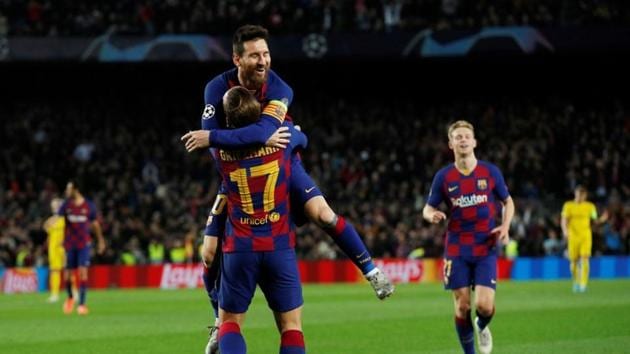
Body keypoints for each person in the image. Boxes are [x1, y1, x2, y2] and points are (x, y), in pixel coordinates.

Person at [181, 24, 393, 353]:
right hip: (237, 177)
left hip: (281, 166)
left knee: (322, 213)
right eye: (255, 55)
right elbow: (265, 133)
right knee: (208, 252)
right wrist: (287, 135)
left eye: (266, 53)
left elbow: (225, 136)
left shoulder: (280, 88)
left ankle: (371, 269)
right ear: (237, 59)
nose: (263, 60)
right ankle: (217, 321)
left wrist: (214, 137)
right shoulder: (216, 88)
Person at [213, 86, 308, 353]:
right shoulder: (284, 141)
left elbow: (224, 135)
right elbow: (304, 140)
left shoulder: (218, 151)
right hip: (278, 244)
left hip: (239, 246)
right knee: (291, 326)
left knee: (229, 322)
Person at [422, 120, 514, 354]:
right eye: (458, 137)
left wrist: (505, 226)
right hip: (457, 247)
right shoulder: (443, 177)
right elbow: (427, 208)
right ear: (451, 144)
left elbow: (508, 201)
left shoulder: (490, 171)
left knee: (484, 306)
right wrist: (432, 214)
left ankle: (482, 326)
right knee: (462, 306)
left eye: (466, 136)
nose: (462, 139)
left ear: (474, 142)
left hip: (485, 246)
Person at [58, 180, 106, 315]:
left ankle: (82, 304)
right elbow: (58, 219)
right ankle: (70, 298)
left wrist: (101, 241)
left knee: (83, 272)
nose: (67, 192)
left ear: (76, 189)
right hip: (69, 244)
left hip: (83, 244)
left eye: (69, 189)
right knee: (67, 276)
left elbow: (95, 225)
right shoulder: (66, 205)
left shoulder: (88, 206)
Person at [561, 185, 607, 293]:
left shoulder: (590, 206)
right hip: (573, 237)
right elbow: (564, 220)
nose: (579, 197)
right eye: (578, 194)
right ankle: (576, 282)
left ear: (585, 196)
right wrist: (565, 231)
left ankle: (583, 284)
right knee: (573, 262)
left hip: (585, 236)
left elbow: (595, 220)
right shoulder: (568, 206)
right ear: (575, 194)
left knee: (585, 259)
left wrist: (602, 219)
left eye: (582, 195)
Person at [43, 197, 66, 303]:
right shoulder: (51, 221)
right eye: (53, 206)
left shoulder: (66, 219)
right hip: (53, 249)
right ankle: (55, 294)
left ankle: (74, 293)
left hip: (64, 247)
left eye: (56, 205)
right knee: (54, 270)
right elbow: (46, 229)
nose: (54, 207)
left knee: (68, 270)